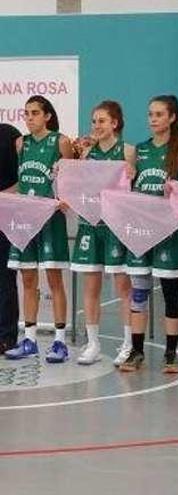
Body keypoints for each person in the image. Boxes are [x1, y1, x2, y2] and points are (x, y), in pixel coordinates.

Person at [119, 95, 178, 372]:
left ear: (172, 118)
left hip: (171, 231)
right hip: (142, 230)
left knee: (170, 290)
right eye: (151, 114)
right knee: (139, 291)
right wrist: (127, 174)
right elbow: (127, 185)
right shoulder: (139, 150)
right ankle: (136, 352)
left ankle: (171, 354)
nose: (153, 119)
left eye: (159, 114)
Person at [4, 96, 74, 363]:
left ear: (47, 116)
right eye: (26, 113)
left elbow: (71, 179)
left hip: (50, 219)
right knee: (28, 280)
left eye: (34, 113)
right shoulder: (21, 144)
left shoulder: (61, 142)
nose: (29, 117)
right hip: (26, 218)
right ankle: (30, 339)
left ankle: (59, 342)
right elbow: (21, 184)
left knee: (55, 280)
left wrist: (66, 198)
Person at [70, 101, 134, 365]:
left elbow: (131, 187)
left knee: (122, 286)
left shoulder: (127, 151)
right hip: (89, 224)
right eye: (94, 121)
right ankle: (93, 343)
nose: (96, 125)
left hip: (115, 225)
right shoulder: (87, 153)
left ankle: (129, 342)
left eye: (102, 121)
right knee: (91, 285)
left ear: (115, 123)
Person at [0, 122, 21, 353]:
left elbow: (22, 180)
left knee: (4, 279)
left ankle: (6, 336)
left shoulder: (9, 135)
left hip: (5, 219)